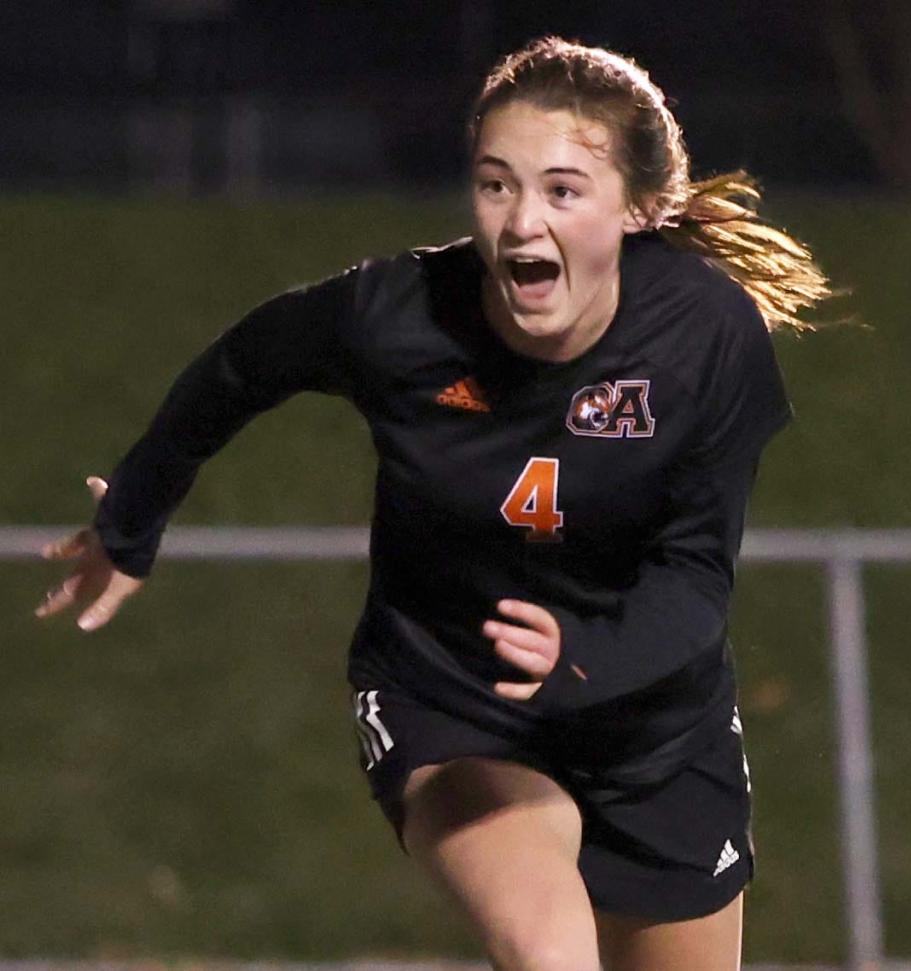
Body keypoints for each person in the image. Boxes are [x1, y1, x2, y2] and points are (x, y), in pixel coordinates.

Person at [36, 36, 832, 971]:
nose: (522, 222)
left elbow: (696, 576)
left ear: (639, 209)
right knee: (550, 952)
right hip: (453, 699)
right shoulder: (399, 315)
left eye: (564, 190)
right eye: (497, 184)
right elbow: (242, 367)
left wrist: (583, 658)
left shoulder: (708, 335)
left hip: (650, 719)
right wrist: (131, 520)